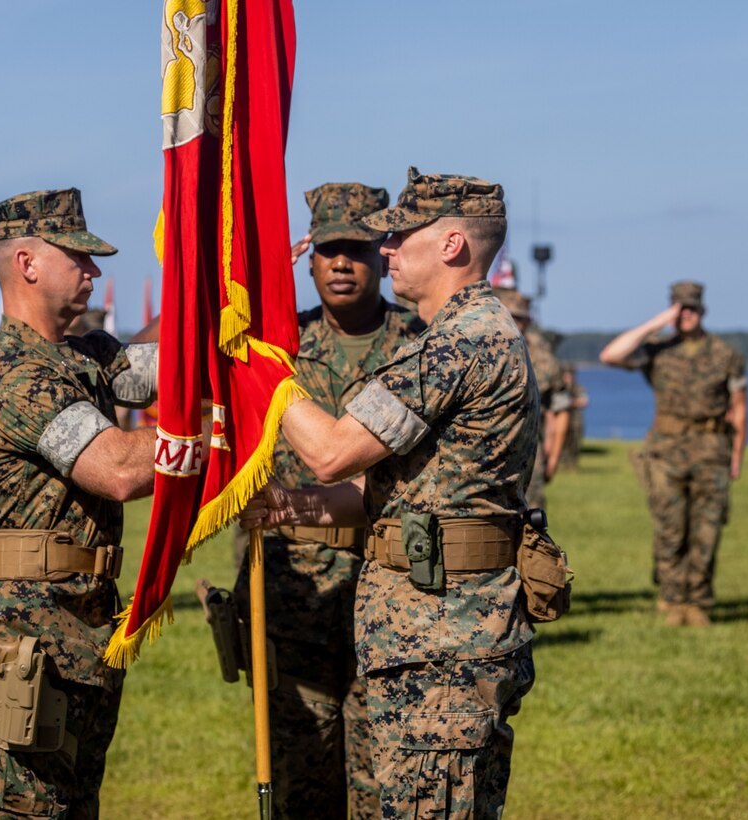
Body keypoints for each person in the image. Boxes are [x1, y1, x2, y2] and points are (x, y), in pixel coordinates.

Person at [241, 167, 539, 817]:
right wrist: (276, 509)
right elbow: (375, 499)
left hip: (441, 641)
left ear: (452, 245)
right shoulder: (470, 334)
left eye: (400, 236)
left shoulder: (456, 344)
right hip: (431, 633)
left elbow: (327, 453)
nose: (385, 251)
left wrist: (255, 364)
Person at [0, 188, 160, 817]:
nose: (94, 272)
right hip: (28, 636)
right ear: (28, 264)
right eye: (79, 259)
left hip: (81, 630)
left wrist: (228, 281)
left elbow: (173, 361)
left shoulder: (78, 357)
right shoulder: (14, 372)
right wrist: (213, 444)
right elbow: (117, 468)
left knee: (72, 808)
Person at [227, 182, 421, 818]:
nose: (343, 264)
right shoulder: (272, 346)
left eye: (359, 250)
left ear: (383, 255)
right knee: (301, 782)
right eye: (330, 250)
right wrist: (253, 283)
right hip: (294, 594)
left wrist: (292, 506)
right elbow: (184, 353)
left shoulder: (421, 345)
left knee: (383, 784)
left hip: (394, 590)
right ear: (307, 257)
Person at [599, 281, 748, 627]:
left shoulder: (726, 355)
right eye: (680, 309)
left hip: (712, 452)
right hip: (666, 453)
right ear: (672, 311)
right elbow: (611, 355)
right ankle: (670, 598)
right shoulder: (658, 350)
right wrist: (656, 323)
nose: (686, 315)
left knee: (707, 530)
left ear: (702, 311)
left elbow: (739, 410)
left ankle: (698, 601)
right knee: (670, 530)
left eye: (691, 309)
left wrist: (736, 457)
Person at [493, 286, 571, 510]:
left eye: (522, 319)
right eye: (511, 316)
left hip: (528, 457)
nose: (517, 324)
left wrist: (553, 458)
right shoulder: (479, 348)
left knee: (531, 523)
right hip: (483, 455)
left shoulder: (542, 357)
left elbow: (560, 408)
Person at [558, 363, 588, 471]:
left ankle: (572, 465)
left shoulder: (578, 388)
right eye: (566, 376)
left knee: (574, 444)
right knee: (562, 444)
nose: (569, 378)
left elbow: (584, 401)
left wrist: (569, 402)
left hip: (575, 421)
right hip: (561, 423)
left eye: (571, 375)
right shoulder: (559, 388)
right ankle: (562, 465)